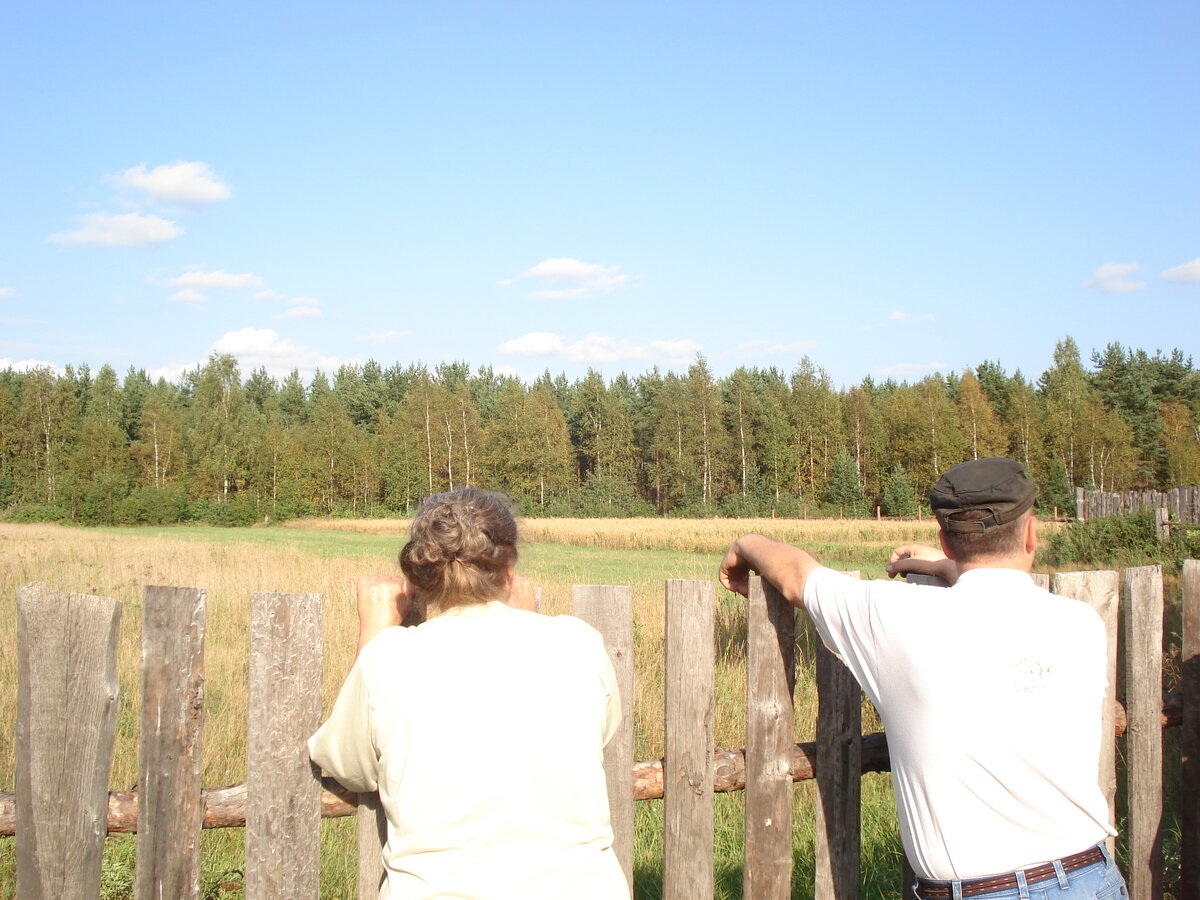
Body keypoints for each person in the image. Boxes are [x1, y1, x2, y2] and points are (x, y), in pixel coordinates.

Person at [719, 457, 1128, 900]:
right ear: (1031, 534)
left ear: (945, 540)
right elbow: (998, 597)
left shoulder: (895, 617)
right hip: (1091, 877)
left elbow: (797, 577)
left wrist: (747, 541)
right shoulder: (1079, 623)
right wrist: (951, 568)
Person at [309, 487, 630, 900]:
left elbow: (349, 766)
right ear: (509, 565)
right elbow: (596, 735)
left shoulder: (389, 658)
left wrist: (373, 633)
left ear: (421, 577)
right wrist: (525, 623)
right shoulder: (578, 643)